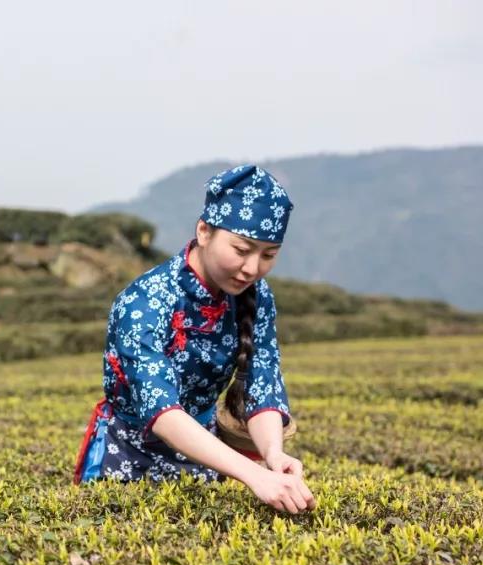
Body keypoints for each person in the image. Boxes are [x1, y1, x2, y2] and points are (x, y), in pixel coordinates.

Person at [74, 165, 314, 514]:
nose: (252, 268)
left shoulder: (257, 295)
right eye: (241, 249)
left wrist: (273, 455)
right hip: (127, 463)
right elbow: (162, 412)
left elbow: (263, 385)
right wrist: (253, 475)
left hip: (205, 462)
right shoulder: (144, 301)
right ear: (204, 231)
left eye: (268, 255)